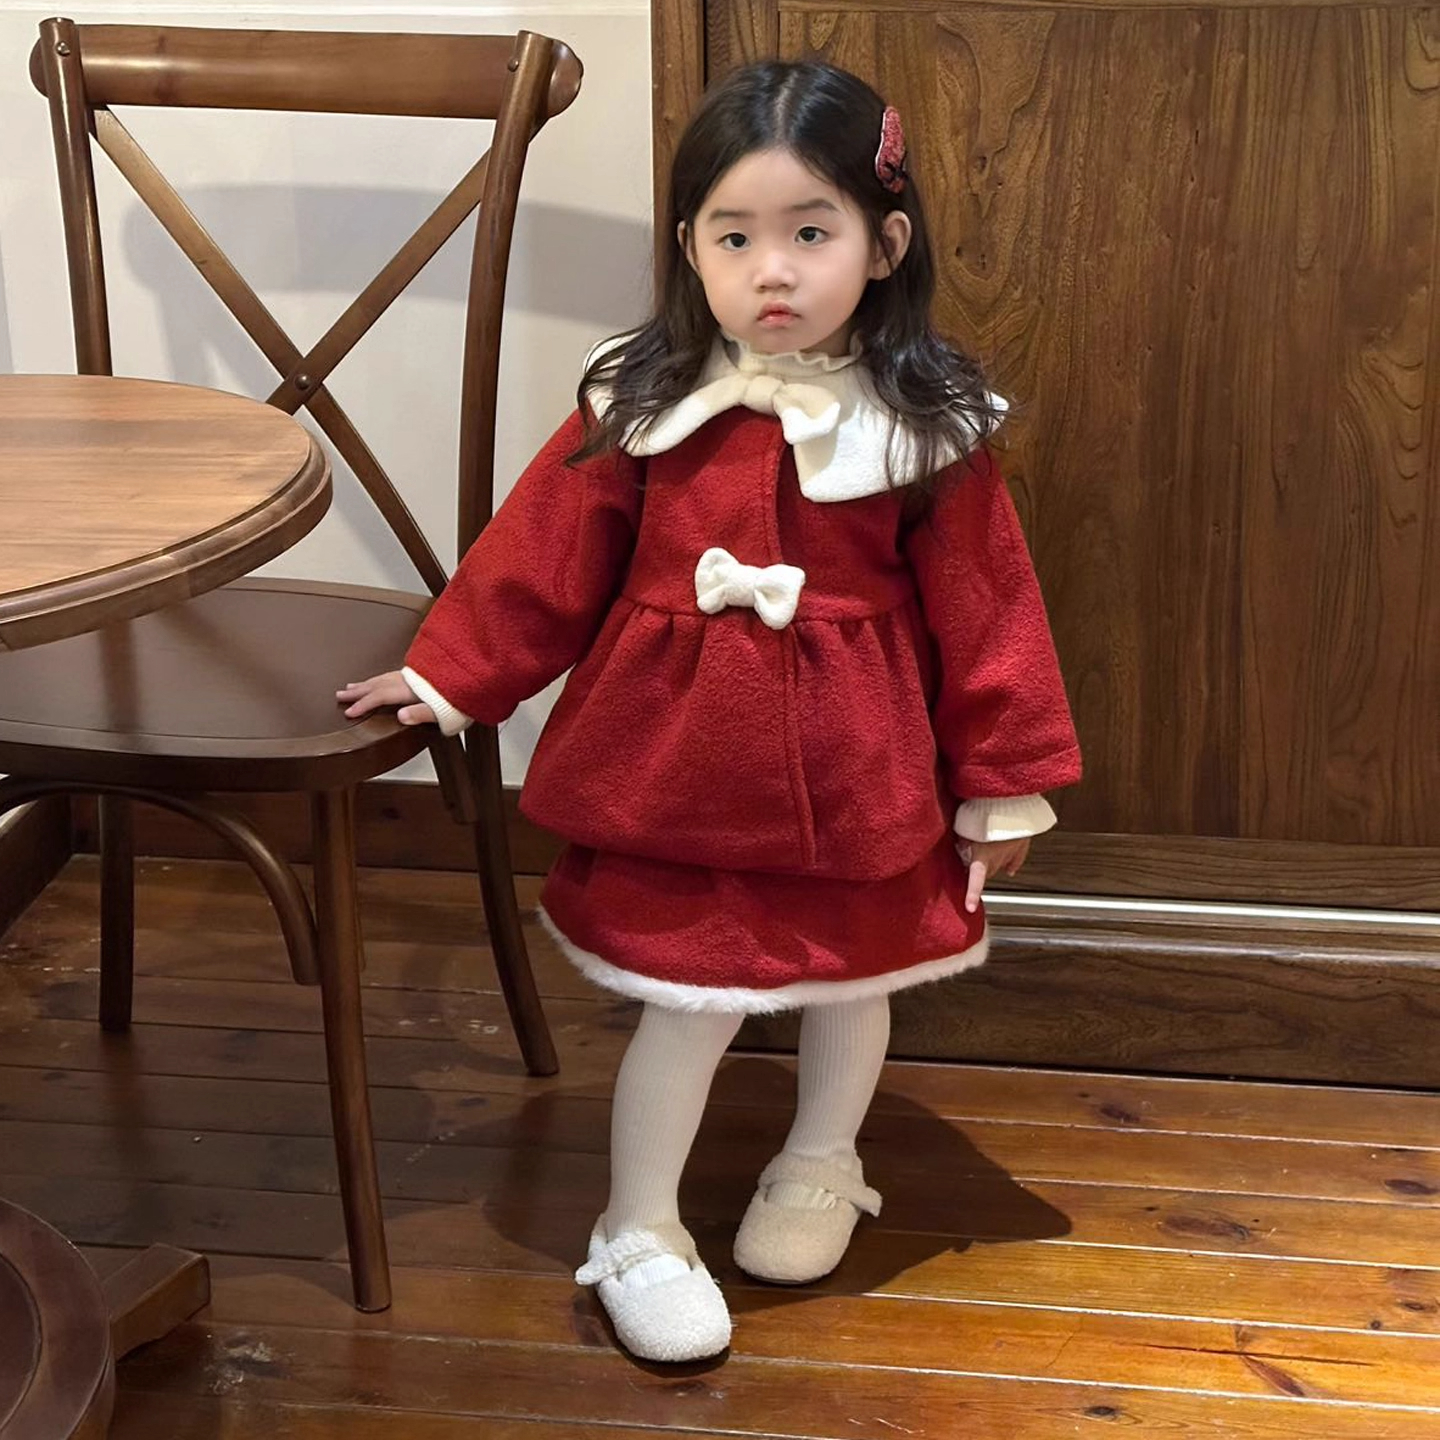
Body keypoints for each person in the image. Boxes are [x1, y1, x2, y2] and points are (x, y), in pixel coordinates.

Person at [337, 58, 1081, 1364]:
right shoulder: (642, 401)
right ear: (690, 246)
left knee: (857, 978)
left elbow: (990, 611)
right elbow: (542, 556)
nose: (771, 271)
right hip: (678, 763)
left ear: (884, 244)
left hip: (860, 770)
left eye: (811, 233)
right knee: (690, 996)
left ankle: (822, 1159)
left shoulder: (928, 426)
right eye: (735, 237)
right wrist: (451, 670)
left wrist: (1002, 777)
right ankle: (637, 1228)